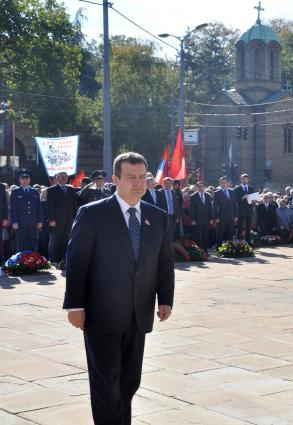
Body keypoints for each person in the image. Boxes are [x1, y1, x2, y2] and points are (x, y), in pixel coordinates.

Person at [63, 152, 174, 425]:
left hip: (138, 315)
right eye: (131, 177)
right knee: (106, 384)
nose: (138, 184)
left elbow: (163, 262)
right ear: (115, 180)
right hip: (101, 315)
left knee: (129, 382)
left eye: (143, 178)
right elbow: (77, 260)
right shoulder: (92, 214)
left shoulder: (157, 217)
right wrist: (74, 305)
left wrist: (165, 299)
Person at [46, 171, 78, 263]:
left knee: (67, 239)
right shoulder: (52, 190)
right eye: (61, 176)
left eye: (65, 176)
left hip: (70, 220)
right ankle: (55, 259)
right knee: (56, 240)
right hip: (57, 220)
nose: (64, 178)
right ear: (56, 178)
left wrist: (75, 218)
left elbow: (75, 205)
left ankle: (64, 260)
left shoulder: (72, 189)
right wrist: (51, 219)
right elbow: (50, 206)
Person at [10, 168, 43, 252]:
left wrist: (40, 221)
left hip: (33, 223)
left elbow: (39, 208)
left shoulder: (35, 191)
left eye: (27, 178)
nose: (25, 180)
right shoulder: (15, 192)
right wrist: (14, 222)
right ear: (19, 180)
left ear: (30, 179)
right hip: (20, 224)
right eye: (22, 178)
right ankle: (20, 264)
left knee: (33, 245)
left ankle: (32, 264)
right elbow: (13, 208)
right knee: (20, 246)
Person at [189, 182, 214, 250]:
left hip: (206, 219)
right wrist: (193, 220)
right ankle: (198, 251)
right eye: (199, 187)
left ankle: (205, 250)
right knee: (197, 236)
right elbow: (192, 210)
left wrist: (211, 218)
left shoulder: (208, 195)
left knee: (205, 235)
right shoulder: (193, 196)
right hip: (197, 220)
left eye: (202, 187)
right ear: (197, 188)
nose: (201, 188)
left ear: (204, 187)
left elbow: (210, 208)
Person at [213, 177, 238, 244]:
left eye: (225, 182)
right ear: (219, 184)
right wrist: (216, 217)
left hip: (231, 216)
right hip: (221, 217)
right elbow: (214, 207)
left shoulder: (232, 191)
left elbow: (235, 204)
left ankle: (229, 248)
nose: (224, 184)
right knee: (220, 233)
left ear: (228, 183)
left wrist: (236, 216)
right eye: (222, 183)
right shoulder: (217, 193)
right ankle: (219, 248)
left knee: (230, 233)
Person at [156, 177, 181, 242]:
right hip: (165, 216)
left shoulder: (174, 192)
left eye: (169, 183)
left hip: (173, 216)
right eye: (166, 183)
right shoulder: (159, 192)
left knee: (172, 233)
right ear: (163, 184)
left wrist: (177, 216)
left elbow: (176, 206)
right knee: (165, 234)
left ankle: (171, 247)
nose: (168, 185)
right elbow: (158, 206)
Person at [234, 174, 255, 240]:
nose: (245, 180)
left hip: (249, 210)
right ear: (241, 179)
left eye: (246, 179)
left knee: (248, 227)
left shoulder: (251, 188)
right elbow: (235, 200)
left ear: (248, 180)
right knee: (240, 226)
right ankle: (239, 241)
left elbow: (251, 200)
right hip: (241, 210)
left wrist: (253, 201)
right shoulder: (237, 189)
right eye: (243, 179)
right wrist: (243, 197)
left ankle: (247, 241)